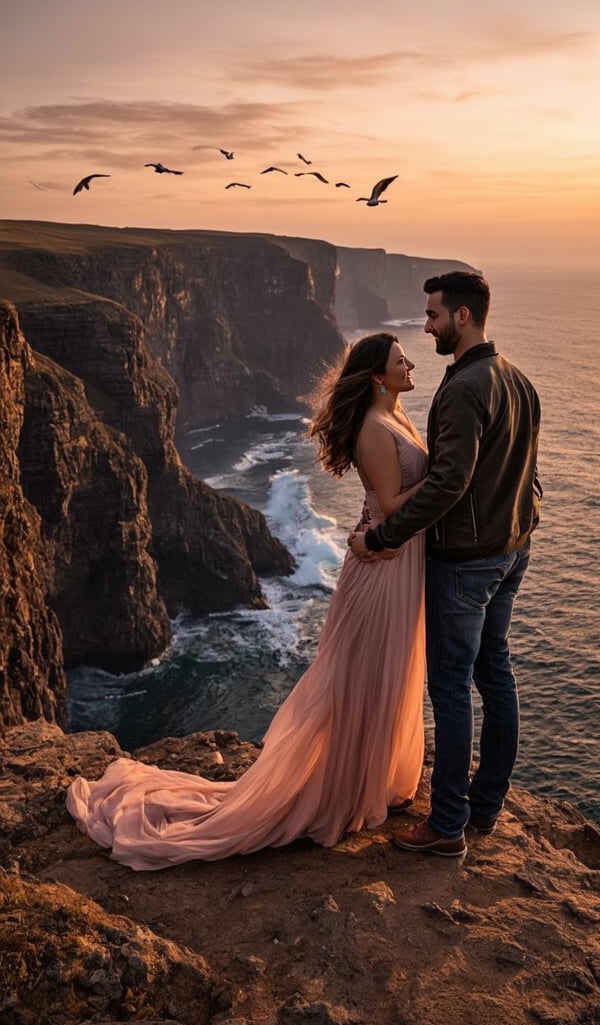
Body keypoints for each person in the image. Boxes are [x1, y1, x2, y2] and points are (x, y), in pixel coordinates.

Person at [66, 333, 428, 869]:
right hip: (383, 566)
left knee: (390, 671)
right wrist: (452, 479)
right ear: (378, 374)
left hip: (398, 559)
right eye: (401, 359)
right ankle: (347, 788)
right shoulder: (375, 429)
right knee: (364, 672)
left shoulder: (397, 416)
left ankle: (373, 778)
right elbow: (395, 502)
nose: (411, 362)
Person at [350, 272, 542, 859]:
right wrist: (521, 523)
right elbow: (527, 469)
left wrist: (385, 535)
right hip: (512, 551)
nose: (426, 324)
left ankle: (449, 823)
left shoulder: (464, 387)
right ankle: (485, 807)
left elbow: (449, 482)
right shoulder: (516, 378)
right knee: (497, 675)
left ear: (462, 317)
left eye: (432, 315)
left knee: (452, 688)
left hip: (467, 561)